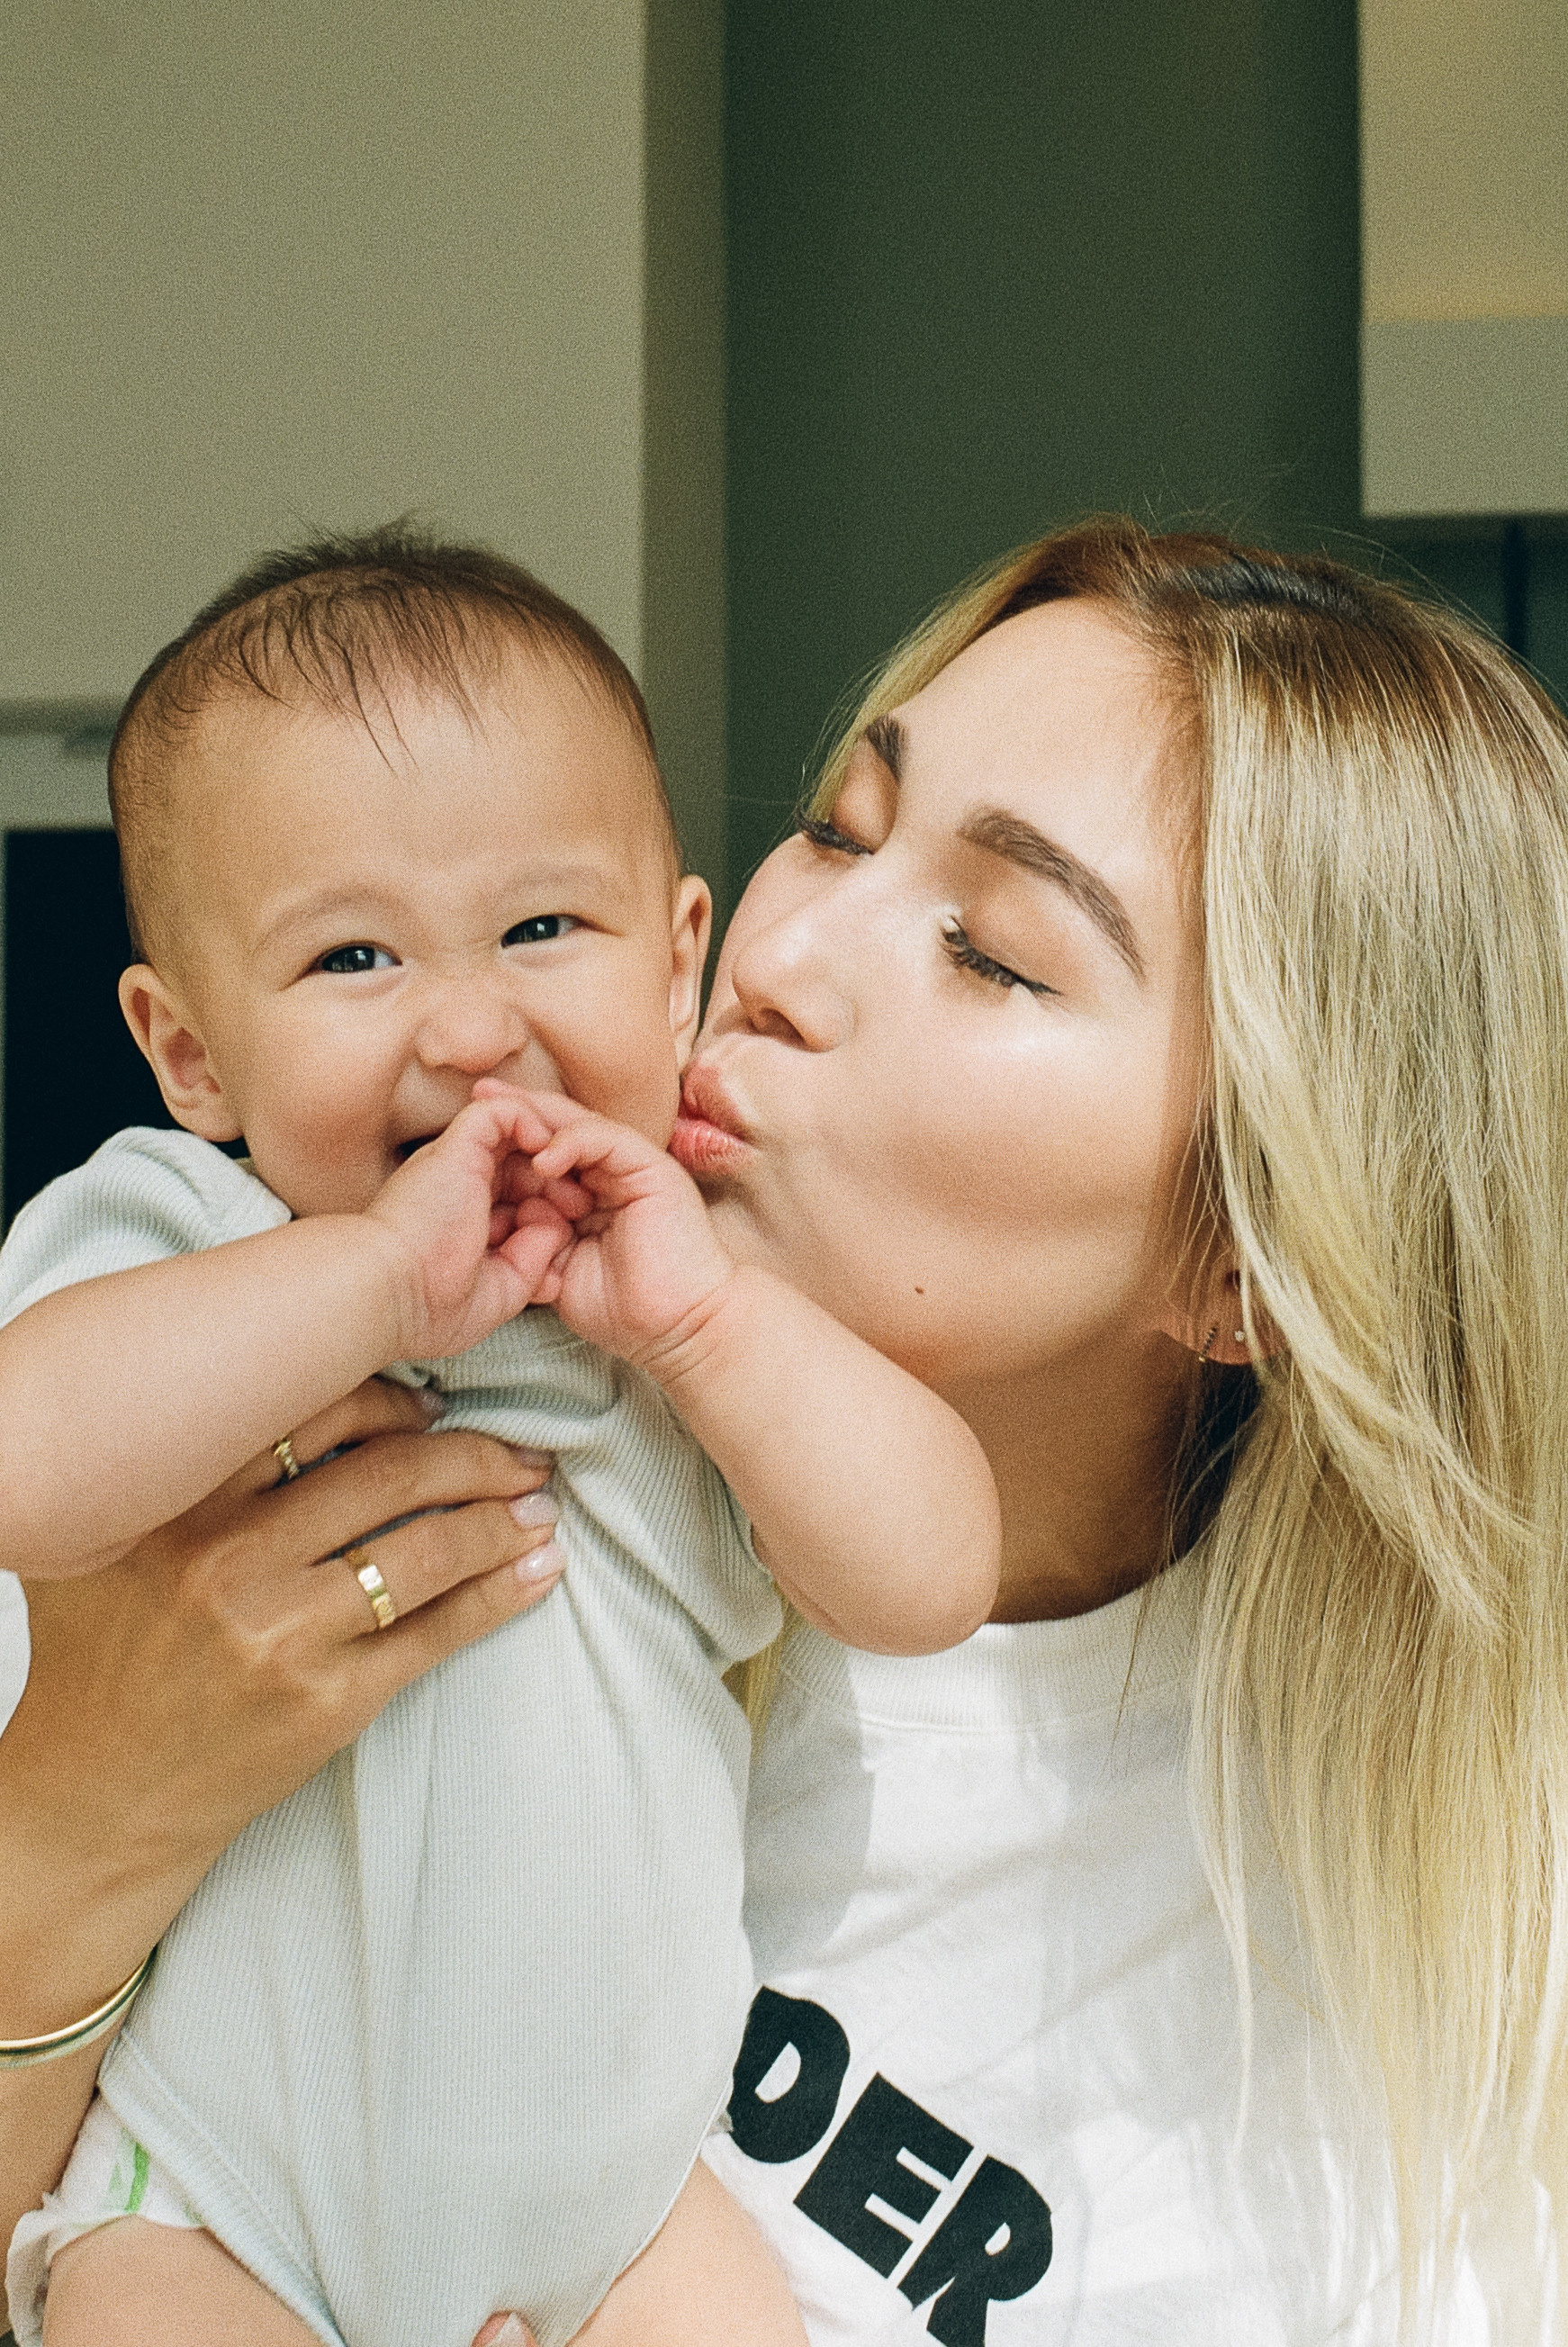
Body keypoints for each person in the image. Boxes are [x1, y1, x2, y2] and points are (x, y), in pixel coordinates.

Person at [4, 517, 1564, 2344]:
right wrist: (74, 1823)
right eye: (836, 823)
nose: (785, 951)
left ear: (1249, 1257)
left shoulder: (1423, 1972)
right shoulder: (229, 1413)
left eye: (991, 951)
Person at [0, 530, 999, 2347]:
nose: (468, 1025)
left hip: (618, 2216)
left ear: (678, 959)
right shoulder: (178, 1232)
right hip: (211, 2208)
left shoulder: (688, 1313)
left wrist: (703, 1326)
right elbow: (32, 1462)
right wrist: (373, 1280)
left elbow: (932, 1574)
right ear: (190, 1050)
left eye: (544, 927)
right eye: (351, 953)